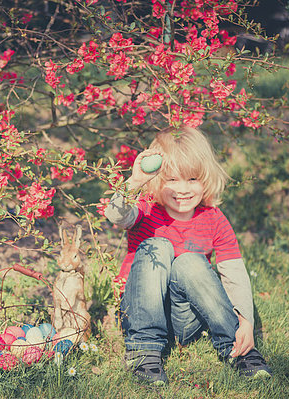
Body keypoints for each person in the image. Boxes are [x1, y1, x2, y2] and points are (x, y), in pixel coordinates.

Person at [103, 125, 271, 385]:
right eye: (171, 179)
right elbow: (115, 215)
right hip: (140, 311)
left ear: (205, 179)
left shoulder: (213, 219)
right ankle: (144, 351)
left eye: (192, 179)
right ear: (157, 178)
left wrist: (246, 322)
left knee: (190, 261)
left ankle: (238, 350)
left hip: (185, 320)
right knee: (156, 246)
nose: (182, 189)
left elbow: (234, 273)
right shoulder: (146, 210)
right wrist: (135, 182)